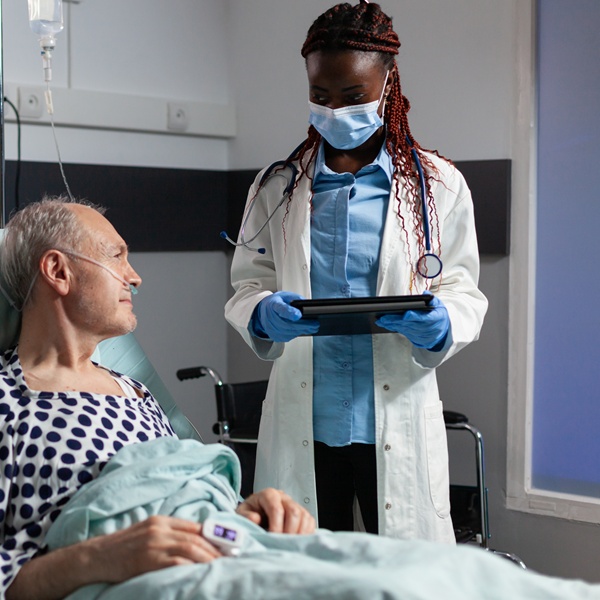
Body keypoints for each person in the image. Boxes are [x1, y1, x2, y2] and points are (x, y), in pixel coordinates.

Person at [224, 1, 488, 541]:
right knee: (308, 575)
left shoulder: (437, 186)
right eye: (320, 97)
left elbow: (462, 286)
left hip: (393, 415)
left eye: (353, 97)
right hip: (307, 417)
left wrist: (444, 322)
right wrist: (261, 313)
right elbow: (247, 283)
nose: (335, 110)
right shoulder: (277, 188)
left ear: (388, 83)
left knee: (399, 578)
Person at [0, 197, 315, 600]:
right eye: (116, 256)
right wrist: (98, 558)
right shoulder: (10, 404)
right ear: (58, 271)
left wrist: (248, 511)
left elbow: (183, 493)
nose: (135, 277)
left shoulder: (136, 393)